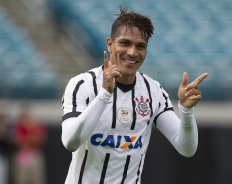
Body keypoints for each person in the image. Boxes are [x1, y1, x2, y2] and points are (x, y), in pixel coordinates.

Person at [61, 7, 208, 184]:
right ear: (110, 44)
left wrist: (186, 111)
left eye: (140, 46)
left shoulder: (153, 91)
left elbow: (187, 148)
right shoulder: (82, 85)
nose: (132, 52)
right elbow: (70, 142)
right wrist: (104, 95)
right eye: (125, 43)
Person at [12, 109, 47, 184]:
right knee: (22, 179)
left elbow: (40, 139)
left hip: (35, 153)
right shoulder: (20, 127)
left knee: (37, 179)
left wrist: (29, 132)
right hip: (23, 153)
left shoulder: (36, 125)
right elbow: (18, 141)